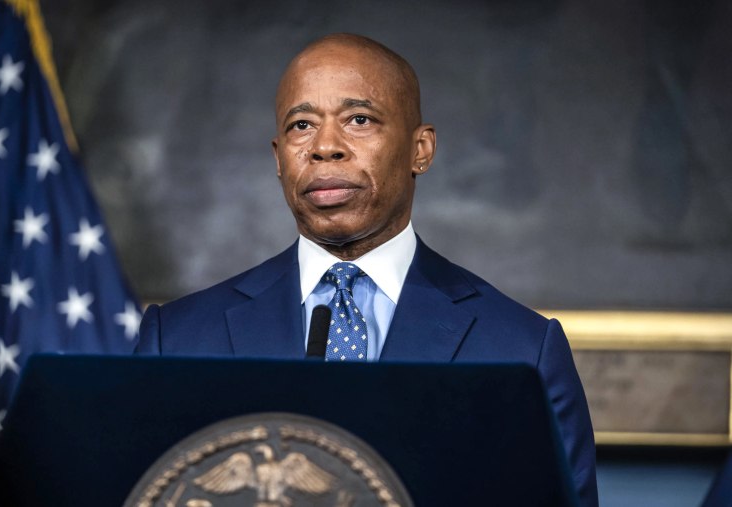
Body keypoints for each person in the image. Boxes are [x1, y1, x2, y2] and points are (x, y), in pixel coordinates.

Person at [137, 33, 598, 505]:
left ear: (421, 149)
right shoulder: (174, 341)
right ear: (278, 158)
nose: (325, 147)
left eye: (359, 120)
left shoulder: (523, 352)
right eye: (301, 125)